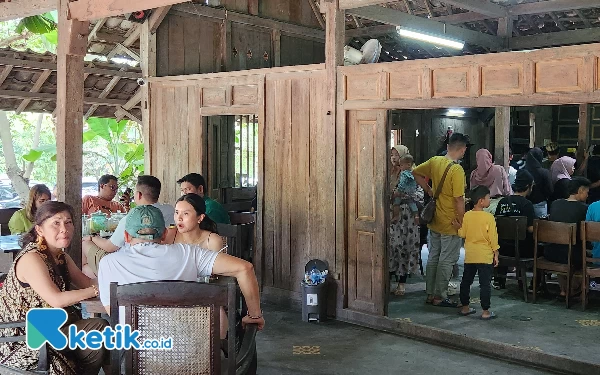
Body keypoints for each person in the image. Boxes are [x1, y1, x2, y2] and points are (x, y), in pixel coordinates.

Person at [96, 205, 265, 333]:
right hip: (196, 357)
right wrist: (254, 316)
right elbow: (245, 268)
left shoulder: (108, 263)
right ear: (164, 234)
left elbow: (114, 313)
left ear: (126, 236)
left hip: (138, 358)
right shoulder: (189, 253)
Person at [0, 202, 108, 375]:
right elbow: (56, 300)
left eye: (68, 222)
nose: (64, 228)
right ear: (40, 230)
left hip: (53, 325)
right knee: (99, 329)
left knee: (99, 334)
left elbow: (86, 282)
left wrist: (116, 283)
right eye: (56, 223)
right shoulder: (32, 258)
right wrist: (97, 291)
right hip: (24, 337)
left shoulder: (60, 256)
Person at [82, 175, 175, 278]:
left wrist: (92, 237)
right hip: (159, 262)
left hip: (129, 265)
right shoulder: (170, 210)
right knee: (86, 269)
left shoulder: (132, 217)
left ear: (139, 195)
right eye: (113, 187)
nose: (115, 191)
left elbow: (109, 247)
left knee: (85, 253)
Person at [413, 133, 468, 307]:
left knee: (433, 256)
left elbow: (415, 172)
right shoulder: (457, 170)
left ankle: (430, 294)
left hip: (435, 219)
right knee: (447, 259)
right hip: (451, 220)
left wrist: (429, 190)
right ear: (462, 149)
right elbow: (459, 199)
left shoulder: (435, 161)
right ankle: (440, 296)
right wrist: (462, 221)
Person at [454, 185, 499, 320]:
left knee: (466, 281)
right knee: (485, 284)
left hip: (471, 255)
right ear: (481, 201)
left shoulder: (467, 215)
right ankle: (485, 311)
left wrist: (457, 228)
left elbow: (463, 234)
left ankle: (465, 307)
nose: (489, 200)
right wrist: (496, 253)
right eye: (488, 198)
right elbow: (493, 237)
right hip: (485, 256)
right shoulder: (489, 217)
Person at [545, 177, 590, 298]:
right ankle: (574, 288)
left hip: (550, 253)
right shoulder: (584, 209)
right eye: (587, 192)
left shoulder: (555, 204)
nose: (587, 196)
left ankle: (563, 289)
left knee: (563, 247)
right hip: (572, 256)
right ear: (580, 190)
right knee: (581, 253)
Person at [389, 147, 423, 296]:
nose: (393, 158)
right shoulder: (388, 172)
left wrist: (403, 195)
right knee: (391, 247)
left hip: (408, 217)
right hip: (392, 216)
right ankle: (387, 281)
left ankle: (402, 283)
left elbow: (420, 194)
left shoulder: (414, 173)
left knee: (405, 247)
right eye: (392, 155)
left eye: (396, 155)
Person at [494, 170, 536, 289]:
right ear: (528, 186)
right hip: (522, 250)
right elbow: (531, 229)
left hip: (502, 248)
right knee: (541, 249)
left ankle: (499, 280)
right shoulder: (527, 204)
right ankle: (534, 284)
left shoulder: (502, 202)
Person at [469, 148, 512, 214]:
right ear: (489, 157)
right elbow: (507, 191)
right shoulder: (499, 169)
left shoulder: (473, 174)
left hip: (480, 206)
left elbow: (472, 193)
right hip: (497, 204)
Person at [524, 147, 553, 218]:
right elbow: (550, 190)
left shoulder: (523, 171)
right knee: (540, 227)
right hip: (540, 205)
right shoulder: (544, 172)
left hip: (525, 204)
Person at [391, 154, 419, 224]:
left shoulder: (404, 174)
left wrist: (398, 191)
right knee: (412, 203)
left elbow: (402, 183)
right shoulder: (413, 172)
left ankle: (396, 216)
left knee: (396, 203)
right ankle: (416, 215)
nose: (400, 167)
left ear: (409, 165)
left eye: (401, 165)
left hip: (403, 193)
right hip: (411, 193)